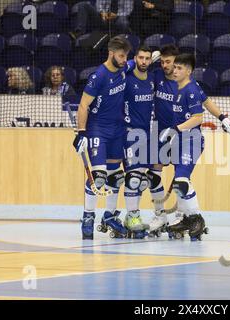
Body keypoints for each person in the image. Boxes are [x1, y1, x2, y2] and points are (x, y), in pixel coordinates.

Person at [145, 44, 230, 235]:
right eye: (164, 63)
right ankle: (167, 216)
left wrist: (222, 117)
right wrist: (144, 63)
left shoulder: (189, 87)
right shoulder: (166, 80)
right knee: (161, 177)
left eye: (174, 65)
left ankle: (191, 218)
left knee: (181, 180)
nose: (168, 67)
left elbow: (201, 111)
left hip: (185, 138)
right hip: (166, 135)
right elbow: (133, 72)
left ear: (185, 68)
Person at [72, 36, 133, 240]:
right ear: (111, 53)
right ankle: (88, 217)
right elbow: (83, 105)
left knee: (116, 177)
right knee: (98, 177)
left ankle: (109, 216)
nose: (125, 60)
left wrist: (154, 57)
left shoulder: (124, 68)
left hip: (118, 130)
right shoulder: (98, 76)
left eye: (126, 56)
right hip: (98, 130)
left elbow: (137, 63)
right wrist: (81, 132)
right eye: (121, 56)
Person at [159, 53, 208, 240]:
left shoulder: (191, 90)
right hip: (180, 141)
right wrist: (222, 117)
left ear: (189, 71)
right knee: (181, 183)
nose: (175, 70)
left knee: (181, 181)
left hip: (191, 141)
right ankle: (187, 218)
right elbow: (208, 101)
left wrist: (174, 130)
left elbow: (198, 118)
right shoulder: (180, 88)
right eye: (175, 67)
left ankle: (196, 218)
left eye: (179, 68)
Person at [121, 44, 155, 233]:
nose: (143, 62)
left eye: (147, 58)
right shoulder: (126, 78)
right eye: (140, 58)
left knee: (141, 180)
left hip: (146, 134)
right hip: (129, 132)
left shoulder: (152, 78)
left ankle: (131, 215)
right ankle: (133, 216)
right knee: (133, 178)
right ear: (135, 58)